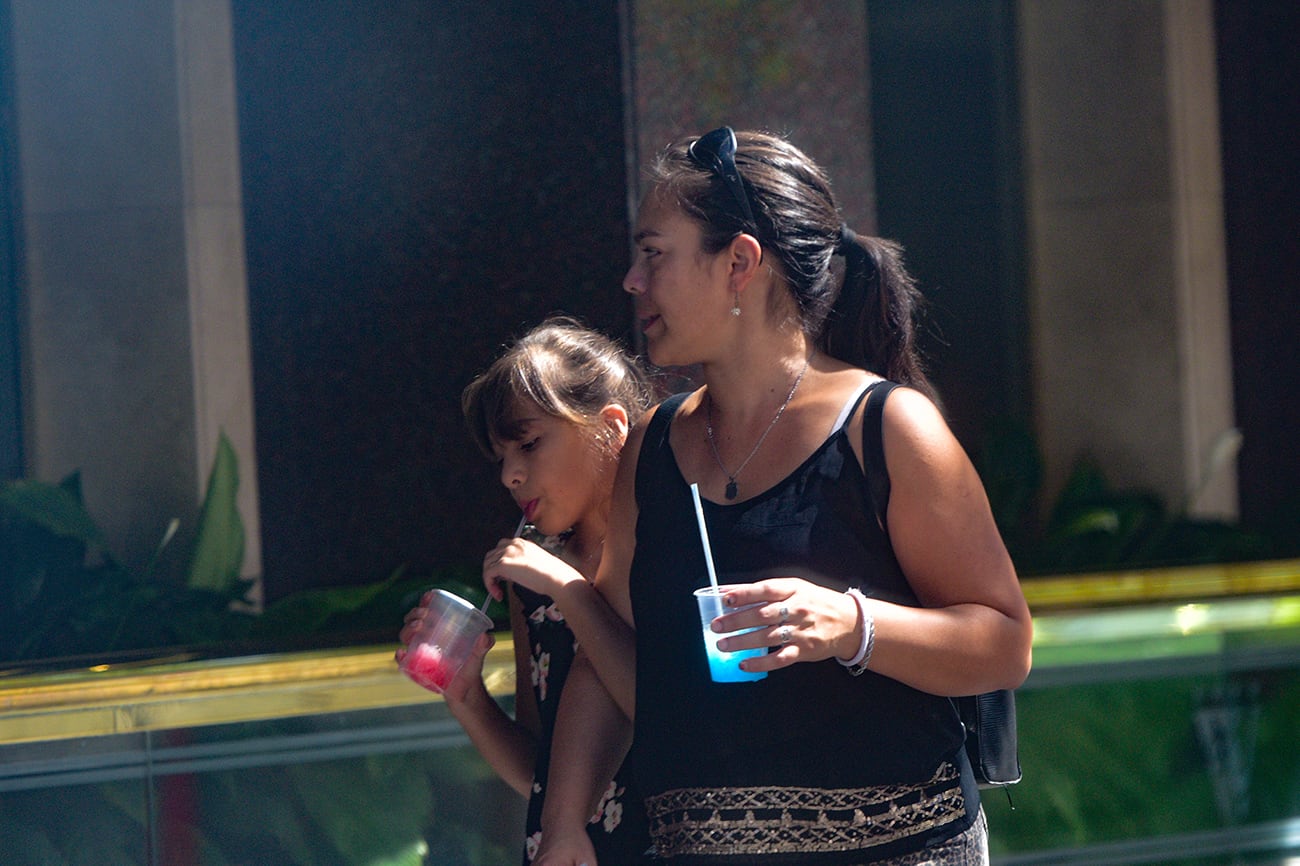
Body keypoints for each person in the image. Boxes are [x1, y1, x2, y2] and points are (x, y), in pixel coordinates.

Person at [534, 128, 1033, 865]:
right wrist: (566, 822)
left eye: (654, 253)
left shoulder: (885, 427)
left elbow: (1004, 643)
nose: (631, 281)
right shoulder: (651, 446)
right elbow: (610, 663)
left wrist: (849, 623)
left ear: (739, 262)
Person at [396, 316, 656, 864]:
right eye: (500, 457)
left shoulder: (668, 546)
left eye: (529, 445)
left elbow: (660, 712)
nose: (510, 475)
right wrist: (466, 696)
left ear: (610, 428)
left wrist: (567, 588)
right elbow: (543, 771)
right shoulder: (532, 581)